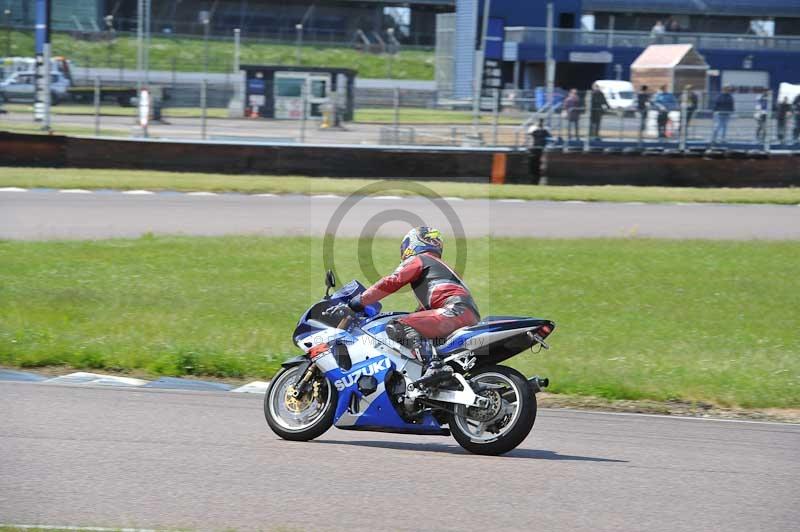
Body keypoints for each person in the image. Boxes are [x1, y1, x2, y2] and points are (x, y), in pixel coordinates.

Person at [348, 227, 480, 378]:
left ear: (414, 243)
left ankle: (434, 367)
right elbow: (424, 312)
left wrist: (360, 300)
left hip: (454, 311)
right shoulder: (438, 266)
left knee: (399, 326)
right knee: (413, 328)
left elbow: (392, 281)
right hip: (464, 313)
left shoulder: (421, 259)